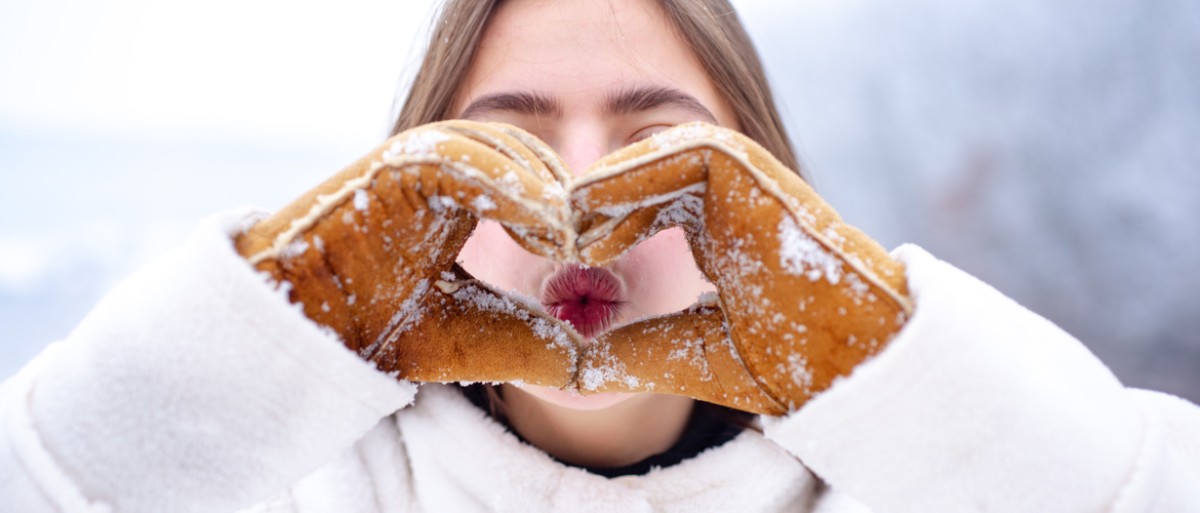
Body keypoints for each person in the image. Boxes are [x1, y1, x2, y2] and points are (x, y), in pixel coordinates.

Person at [2, 0, 1197, 512]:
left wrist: (883, 362)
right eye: (501, 147)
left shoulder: (917, 490)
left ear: (765, 188)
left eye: (660, 144)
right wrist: (277, 320)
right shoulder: (281, 492)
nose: (577, 196)